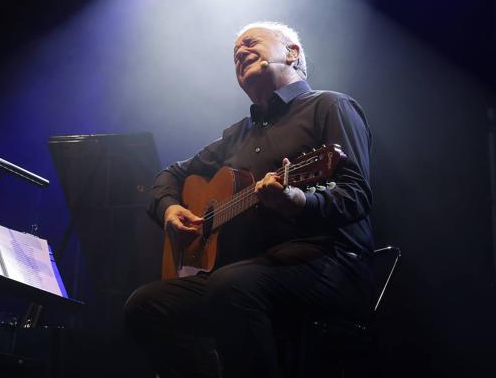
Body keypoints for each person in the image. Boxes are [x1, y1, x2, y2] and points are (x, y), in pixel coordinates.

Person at [124, 21, 374, 378]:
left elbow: (357, 195)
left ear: (292, 53)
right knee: (145, 305)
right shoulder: (238, 134)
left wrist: (298, 201)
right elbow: (170, 175)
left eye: (251, 43)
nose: (239, 53)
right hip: (253, 270)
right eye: (234, 54)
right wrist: (169, 209)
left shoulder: (330, 106)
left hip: (330, 263)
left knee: (231, 286)